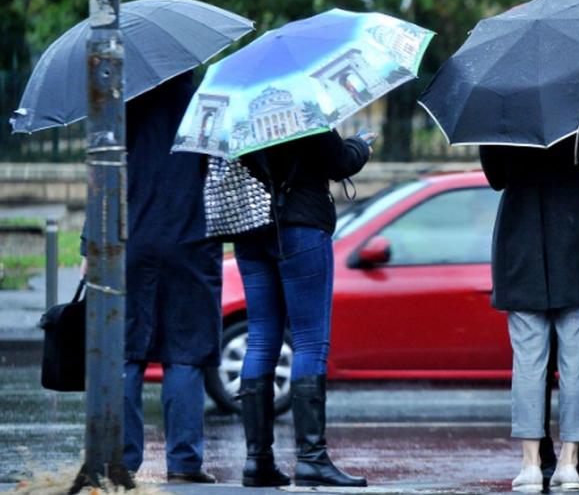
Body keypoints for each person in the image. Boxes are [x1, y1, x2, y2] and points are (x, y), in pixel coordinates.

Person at [480, 125, 579, 492]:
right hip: (577, 249)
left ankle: (530, 464)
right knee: (578, 364)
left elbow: (495, 178)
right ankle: (569, 462)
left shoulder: (503, 116)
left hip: (520, 252)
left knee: (528, 364)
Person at [81, 72, 223, 483]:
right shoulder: (207, 103)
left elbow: (103, 177)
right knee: (186, 352)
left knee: (127, 351)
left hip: (133, 242)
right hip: (191, 241)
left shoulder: (125, 106)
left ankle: (122, 460)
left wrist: (91, 242)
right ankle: (184, 462)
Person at [234, 128, 373, 488]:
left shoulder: (237, 113)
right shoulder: (299, 107)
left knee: (262, 338)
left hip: (251, 229)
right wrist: (361, 144)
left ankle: (257, 460)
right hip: (300, 226)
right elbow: (339, 161)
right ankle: (311, 458)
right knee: (311, 342)